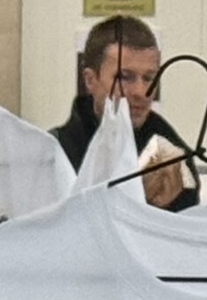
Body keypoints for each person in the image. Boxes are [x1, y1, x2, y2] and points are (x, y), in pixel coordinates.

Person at [51, 15, 197, 212]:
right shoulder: (54, 154)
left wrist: (166, 206)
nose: (141, 92)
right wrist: (135, 200)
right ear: (90, 80)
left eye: (149, 78)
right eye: (124, 77)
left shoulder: (174, 159)